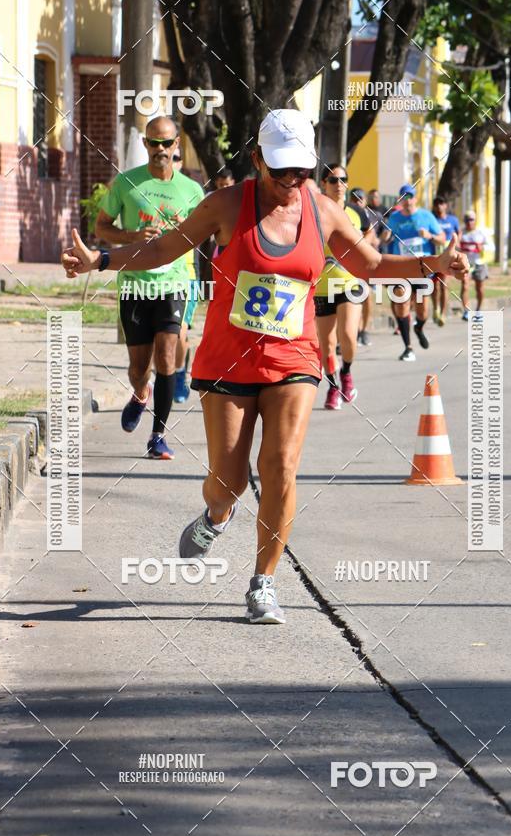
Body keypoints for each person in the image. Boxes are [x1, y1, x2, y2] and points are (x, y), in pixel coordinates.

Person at [63, 108, 469, 625]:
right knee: (228, 483)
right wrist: (101, 261)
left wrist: (431, 265)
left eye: (300, 171)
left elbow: (368, 264)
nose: (291, 182)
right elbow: (165, 248)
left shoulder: (321, 210)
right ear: (257, 159)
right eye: (281, 171)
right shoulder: (227, 206)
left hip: (294, 357)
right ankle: (216, 513)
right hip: (227, 361)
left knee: (279, 467)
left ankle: (263, 583)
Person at [95, 116, 203, 457]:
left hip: (173, 283)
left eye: (167, 143)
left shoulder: (192, 191)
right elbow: (101, 228)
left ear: (176, 146)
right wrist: (131, 237)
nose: (160, 150)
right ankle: (141, 393)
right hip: (135, 285)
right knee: (139, 367)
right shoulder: (126, 183)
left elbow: (204, 236)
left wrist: (188, 231)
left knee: (167, 354)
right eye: (154, 143)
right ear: (145, 144)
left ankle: (158, 435)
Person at [314, 166, 368, 409]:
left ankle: (346, 372)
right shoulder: (315, 212)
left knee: (347, 335)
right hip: (323, 286)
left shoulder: (357, 213)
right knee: (325, 345)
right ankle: (333, 387)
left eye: (343, 179)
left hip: (350, 282)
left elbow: (369, 241)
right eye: (333, 179)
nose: (339, 184)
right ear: (324, 183)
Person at [380, 184, 446, 361]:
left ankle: (419, 327)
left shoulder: (426, 216)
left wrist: (430, 236)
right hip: (401, 268)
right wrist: (385, 237)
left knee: (423, 310)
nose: (407, 201)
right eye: (403, 198)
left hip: (422, 270)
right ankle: (408, 347)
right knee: (401, 304)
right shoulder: (394, 218)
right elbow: (385, 237)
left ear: (415, 198)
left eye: (410, 197)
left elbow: (442, 239)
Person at [172, 149, 205, 404]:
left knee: (179, 331)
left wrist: (185, 223)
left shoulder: (192, 190)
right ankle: (166, 375)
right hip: (153, 276)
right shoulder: (143, 188)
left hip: (187, 276)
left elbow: (205, 232)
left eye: (175, 158)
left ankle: (180, 373)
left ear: (181, 162)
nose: (168, 161)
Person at [349, 187, 378, 347]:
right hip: (347, 262)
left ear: (365, 201)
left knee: (366, 296)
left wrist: (360, 246)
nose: (357, 202)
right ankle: (353, 331)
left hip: (366, 261)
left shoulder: (368, 215)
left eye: (360, 199)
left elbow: (372, 235)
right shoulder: (345, 212)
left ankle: (364, 330)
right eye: (354, 199)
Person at [431, 196, 460, 327]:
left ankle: (443, 314)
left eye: (441, 204)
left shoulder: (452, 220)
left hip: (447, 257)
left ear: (446, 206)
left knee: (444, 285)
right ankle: (435, 308)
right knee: (434, 286)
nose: (439, 206)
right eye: (436, 204)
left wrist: (454, 246)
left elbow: (458, 233)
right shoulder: (432, 219)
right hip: (434, 256)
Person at [459, 210, 489, 318]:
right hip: (466, 263)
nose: (469, 222)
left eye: (471, 219)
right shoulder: (461, 233)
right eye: (467, 220)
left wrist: (482, 247)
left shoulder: (481, 232)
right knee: (465, 285)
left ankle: (478, 310)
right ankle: (466, 311)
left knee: (479, 288)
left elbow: (491, 246)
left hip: (479, 262)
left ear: (475, 221)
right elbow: (456, 246)